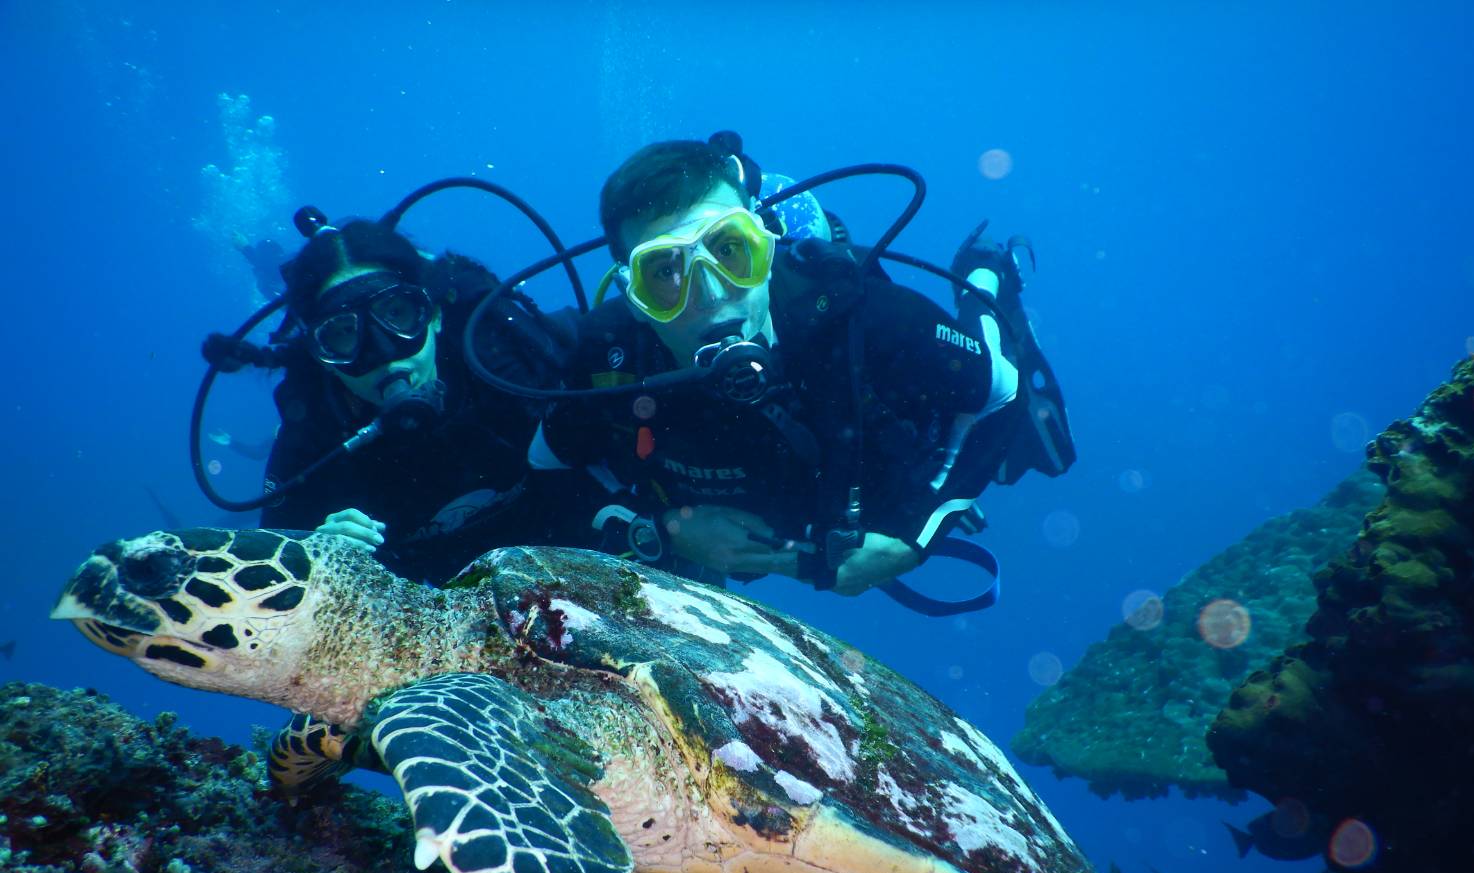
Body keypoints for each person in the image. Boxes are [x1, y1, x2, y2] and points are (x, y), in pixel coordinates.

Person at [530, 139, 1031, 597]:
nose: (709, 295)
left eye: (729, 250)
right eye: (665, 271)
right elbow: (547, 472)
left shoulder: (858, 316)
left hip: (878, 481)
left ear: (765, 243)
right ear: (633, 297)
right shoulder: (609, 359)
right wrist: (659, 531)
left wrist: (913, 537)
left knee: (1010, 395)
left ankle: (983, 280)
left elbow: (1003, 395)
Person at [258, 216, 586, 585]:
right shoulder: (316, 441)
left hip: (578, 555)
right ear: (323, 359)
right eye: (345, 334)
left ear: (434, 315)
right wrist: (319, 560)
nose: (383, 354)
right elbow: (275, 575)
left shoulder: (508, 361)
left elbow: (620, 345)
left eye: (397, 313)